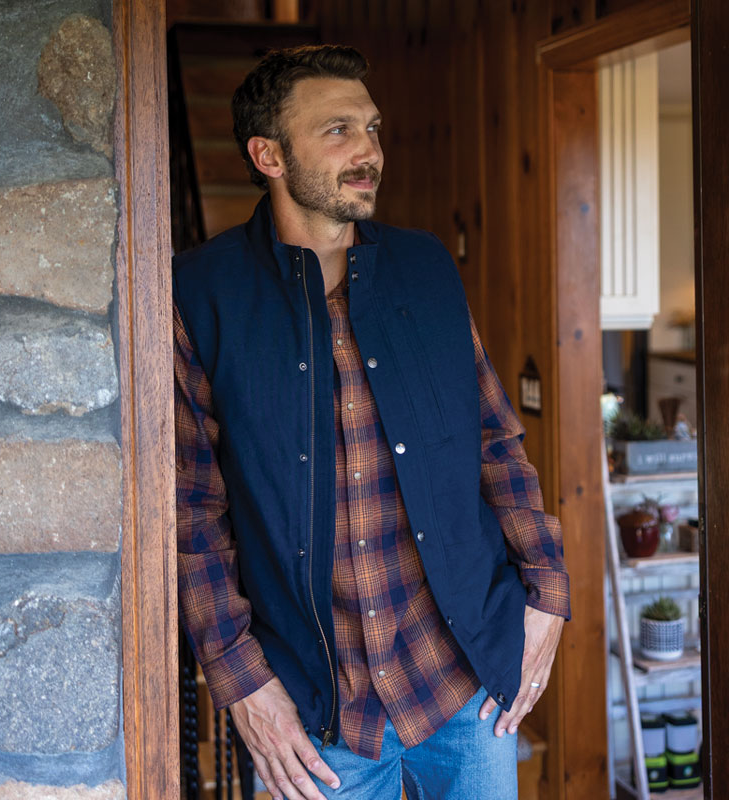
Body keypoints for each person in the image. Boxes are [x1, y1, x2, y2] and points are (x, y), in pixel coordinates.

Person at [173, 44, 570, 800]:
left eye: (373, 127)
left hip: (466, 687)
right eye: (338, 129)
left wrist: (548, 586)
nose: (369, 151)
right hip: (317, 724)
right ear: (268, 154)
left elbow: (495, 440)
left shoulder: (426, 269)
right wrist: (240, 683)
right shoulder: (199, 295)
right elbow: (192, 513)